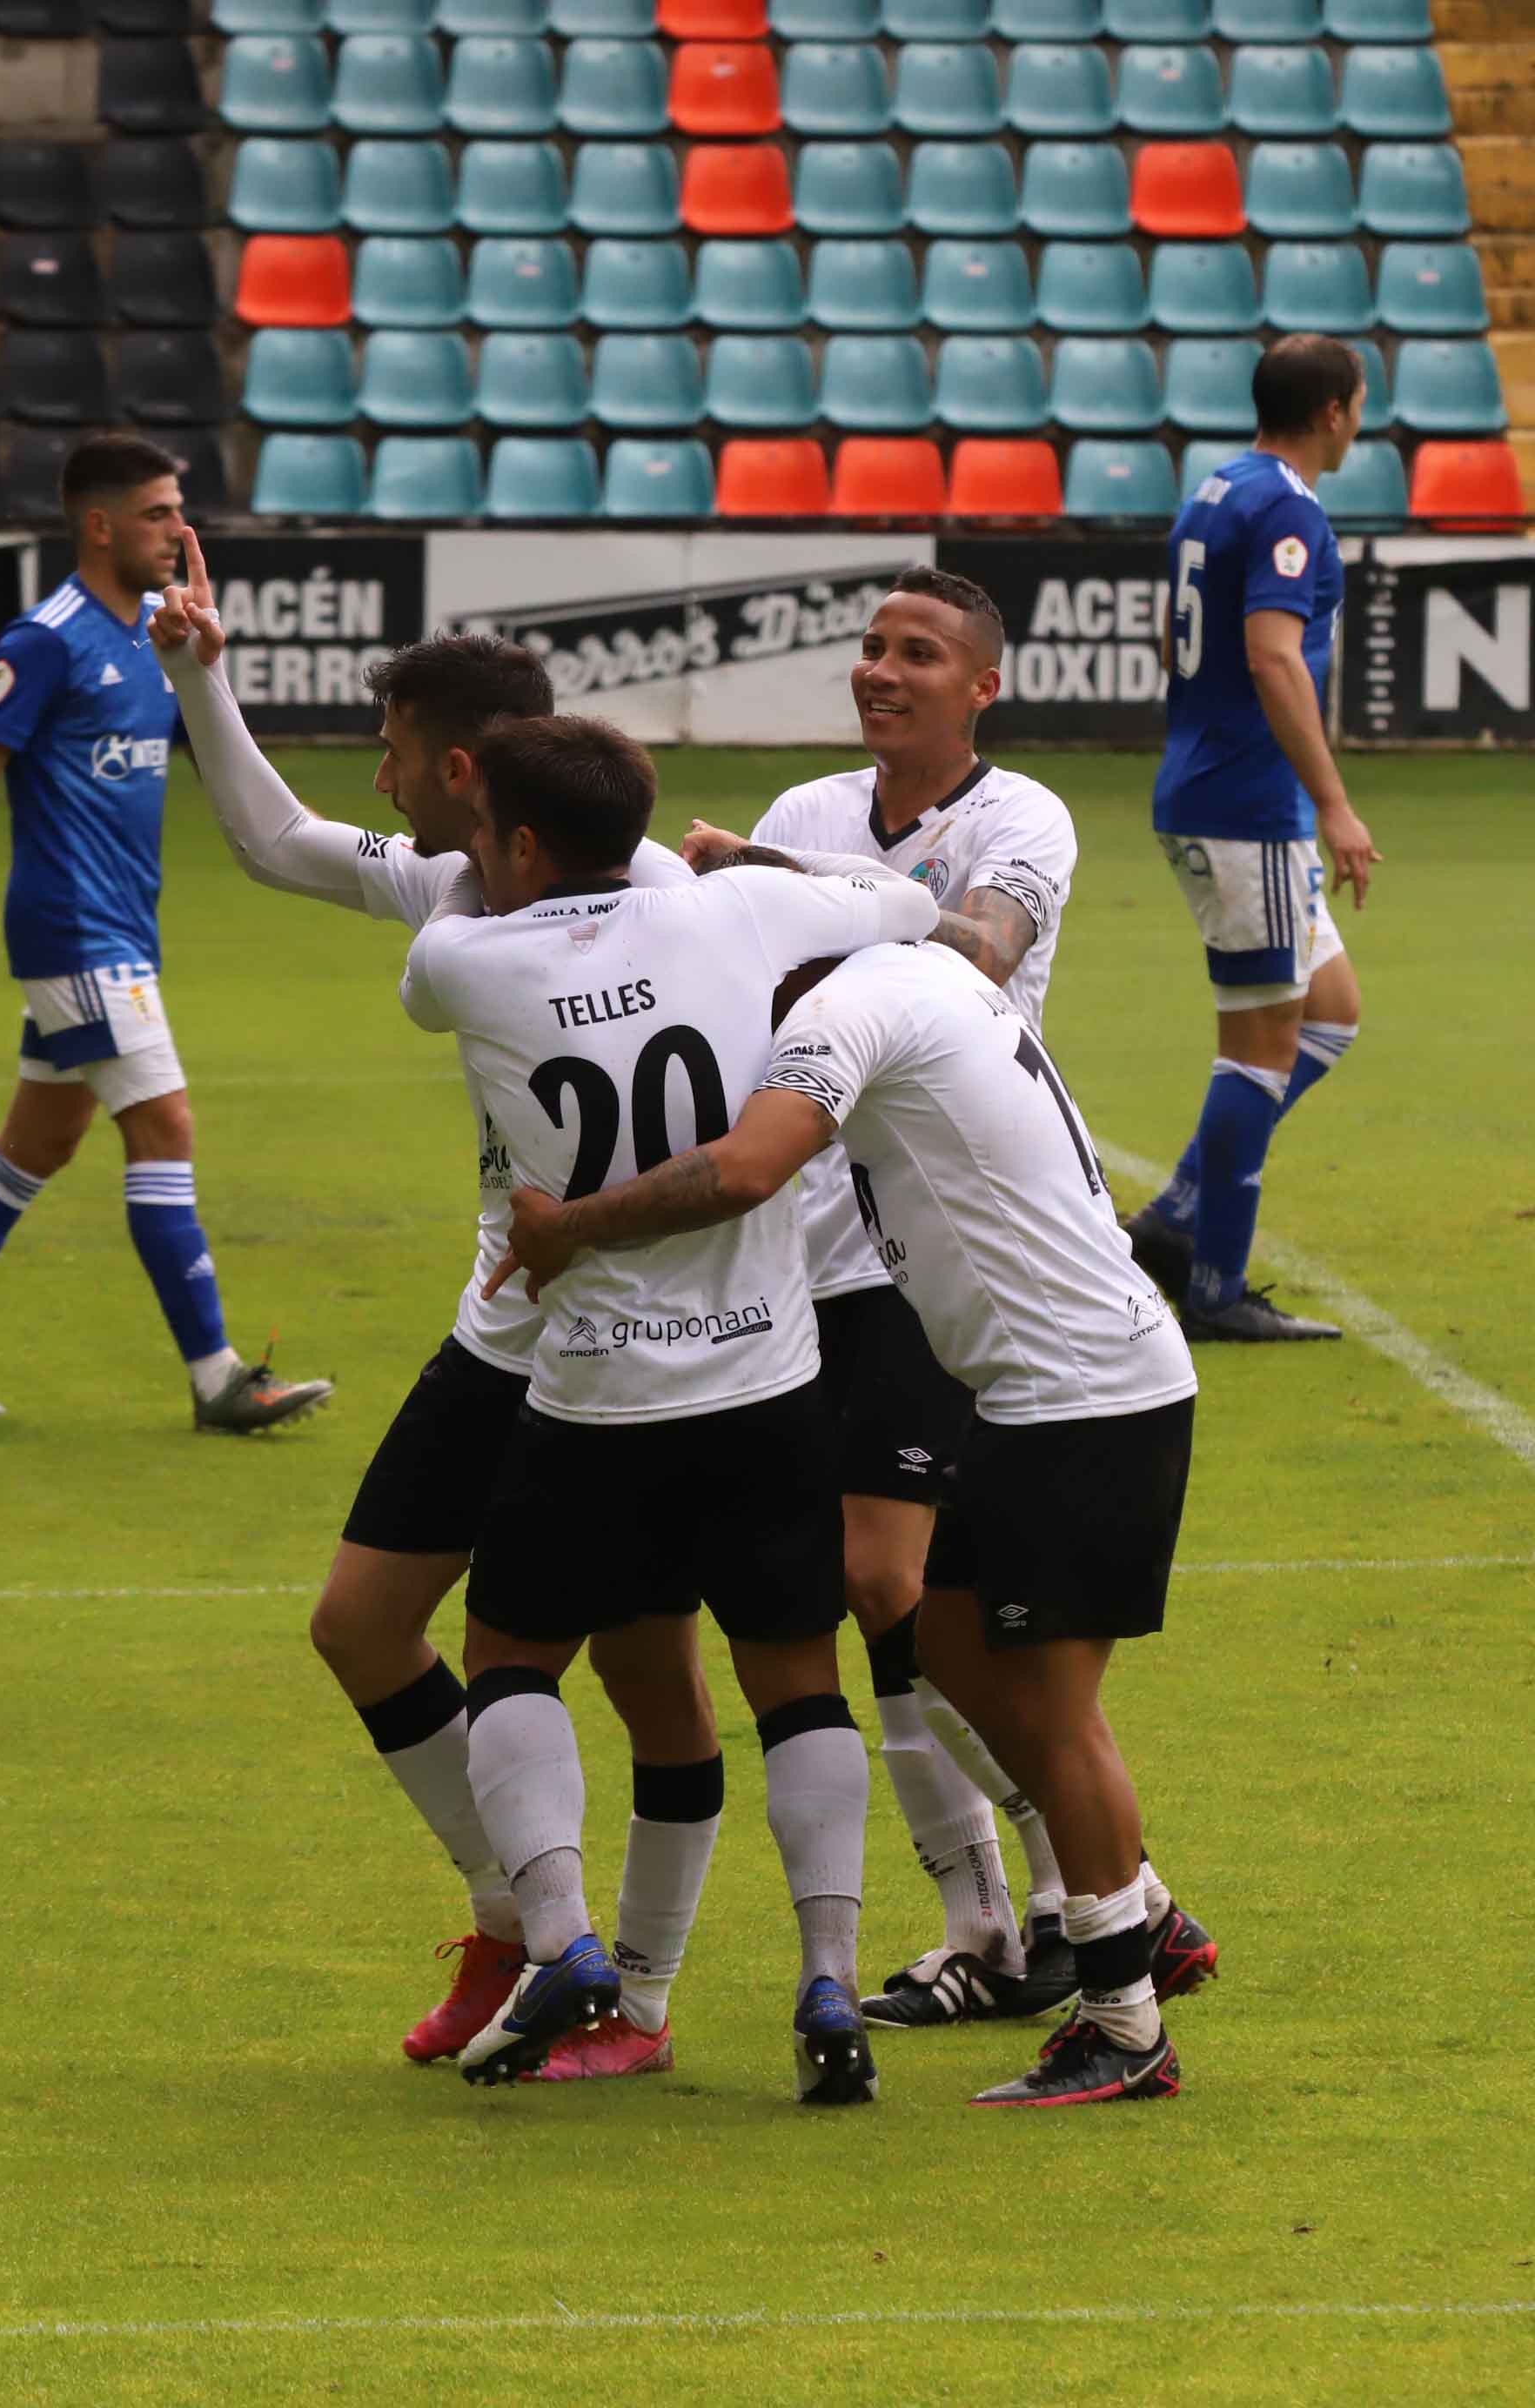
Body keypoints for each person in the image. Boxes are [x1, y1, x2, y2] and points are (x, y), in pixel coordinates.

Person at [144, 537, 712, 2084]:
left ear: (461, 765)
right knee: (362, 1621)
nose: (375, 776)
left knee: (654, 1665)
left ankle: (642, 1990)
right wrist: (201, 670)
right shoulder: (455, 878)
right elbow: (276, 842)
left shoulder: (661, 892)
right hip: (501, 1327)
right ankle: (516, 1917)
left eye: (391, 749)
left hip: (654, 1344)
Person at [494, 926, 1211, 2106]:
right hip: (1048, 1388)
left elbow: (745, 1169)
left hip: (1077, 1397)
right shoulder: (921, 974)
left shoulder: (841, 1008)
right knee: (941, 1637)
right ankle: (1146, 1914)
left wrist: (568, 1228)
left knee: (1058, 1716)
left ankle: (1125, 2021)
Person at [398, 716, 945, 2103]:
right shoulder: (743, 908)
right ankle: (828, 1981)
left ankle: (569, 1939)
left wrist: (518, 853)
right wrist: (705, 861)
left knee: (512, 1654)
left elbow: (460, 895)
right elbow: (912, 905)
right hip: (767, 1378)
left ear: (519, 842)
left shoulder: (460, 960)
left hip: (591, 1396)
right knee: (794, 1678)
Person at [681, 565, 1091, 2029]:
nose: (883, 669)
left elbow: (974, 947)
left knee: (887, 1585)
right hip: (802, 1256)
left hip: (940, 1249)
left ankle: (1094, 1892)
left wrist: (784, 887)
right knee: (868, 1602)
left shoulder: (1018, 818)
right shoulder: (803, 812)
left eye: (918, 652)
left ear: (983, 683)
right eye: (870, 646)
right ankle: (1007, 1917)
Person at [0, 436, 329, 1435]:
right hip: (74, 932)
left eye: (179, 509)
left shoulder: (154, 638)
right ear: (99, 524)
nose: (177, 530)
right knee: (164, 1125)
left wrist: (203, 664)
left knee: (36, 1144)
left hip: (120, 929)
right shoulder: (45, 640)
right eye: (158, 514)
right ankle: (217, 1376)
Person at [1126, 333, 1385, 1343]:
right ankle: (1214, 1286)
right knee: (1259, 1044)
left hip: (1206, 784)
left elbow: (1173, 636)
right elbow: (1274, 655)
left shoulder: (1218, 489)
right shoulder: (1287, 508)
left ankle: (1177, 1213)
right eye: (1358, 401)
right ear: (1333, 411)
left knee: (1329, 1014)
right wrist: (1333, 803)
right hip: (1247, 805)